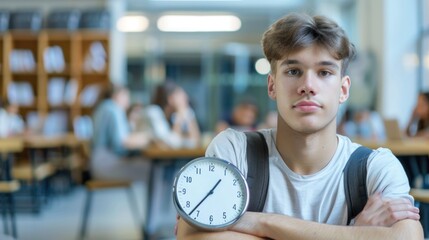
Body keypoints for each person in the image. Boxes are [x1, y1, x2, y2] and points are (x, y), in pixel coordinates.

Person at [177, 13, 423, 239]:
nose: (308, 85)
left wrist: (261, 223)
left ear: (344, 89)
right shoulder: (235, 150)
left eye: (324, 72)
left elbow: (407, 237)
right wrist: (353, 233)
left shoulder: (376, 167)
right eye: (294, 71)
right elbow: (190, 235)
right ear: (272, 86)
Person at [91, 83, 151, 181]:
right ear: (117, 95)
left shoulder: (104, 107)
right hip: (106, 164)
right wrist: (147, 137)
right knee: (154, 169)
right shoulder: (113, 108)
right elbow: (120, 144)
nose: (128, 100)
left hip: (99, 161)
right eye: (126, 95)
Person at [150, 81, 201, 148]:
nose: (186, 99)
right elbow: (172, 143)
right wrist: (179, 119)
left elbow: (196, 141)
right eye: (182, 97)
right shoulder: (154, 112)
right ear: (170, 99)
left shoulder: (174, 115)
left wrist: (189, 115)